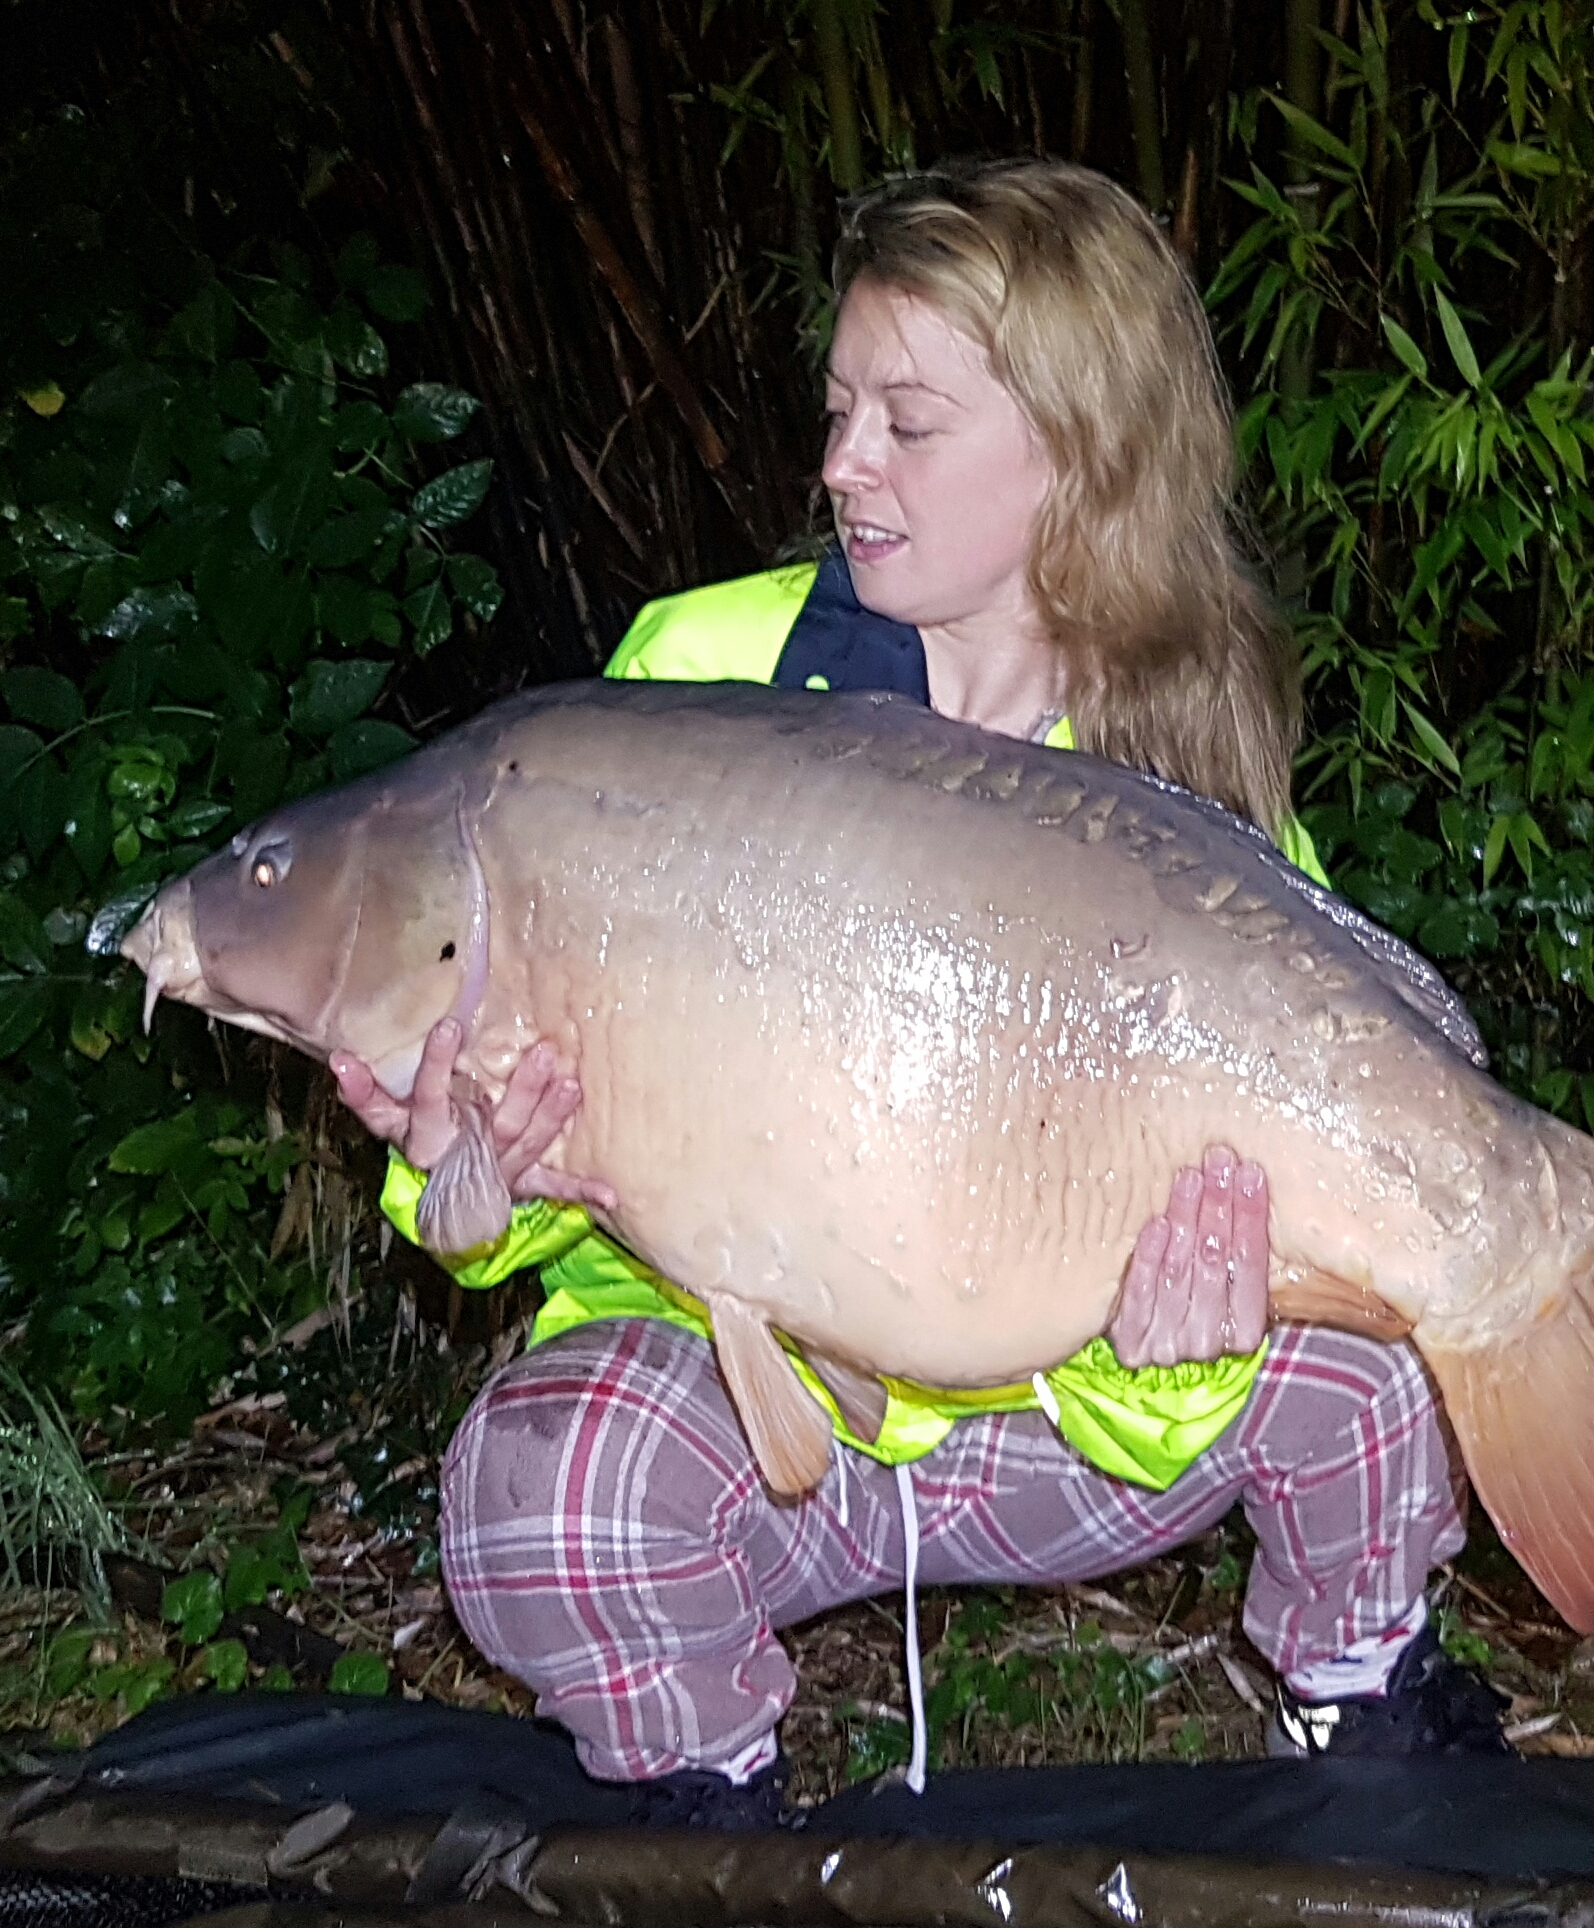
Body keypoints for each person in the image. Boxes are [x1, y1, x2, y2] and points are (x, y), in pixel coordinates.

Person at [331, 159, 1507, 1828]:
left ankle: (1361, 1689)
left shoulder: (1191, 788)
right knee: (546, 1499)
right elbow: (492, 1201)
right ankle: (701, 1789)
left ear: (1081, 453)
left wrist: (1178, 1352)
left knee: (1394, 1357)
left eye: (908, 421)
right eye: (837, 411)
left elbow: (1175, 1385)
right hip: (744, 1406)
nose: (840, 465)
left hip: (1059, 1420)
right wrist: (467, 1158)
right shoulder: (692, 684)